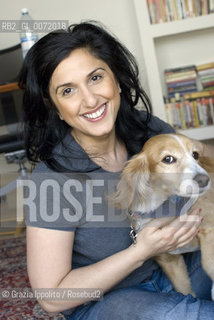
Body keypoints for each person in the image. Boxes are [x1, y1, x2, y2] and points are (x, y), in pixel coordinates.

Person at [18, 21, 214, 319]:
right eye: (68, 90)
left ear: (117, 80)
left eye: (95, 78)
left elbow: (200, 159)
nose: (90, 99)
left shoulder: (148, 132)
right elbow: (53, 298)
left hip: (178, 269)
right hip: (112, 301)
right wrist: (140, 251)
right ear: (56, 108)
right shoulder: (53, 180)